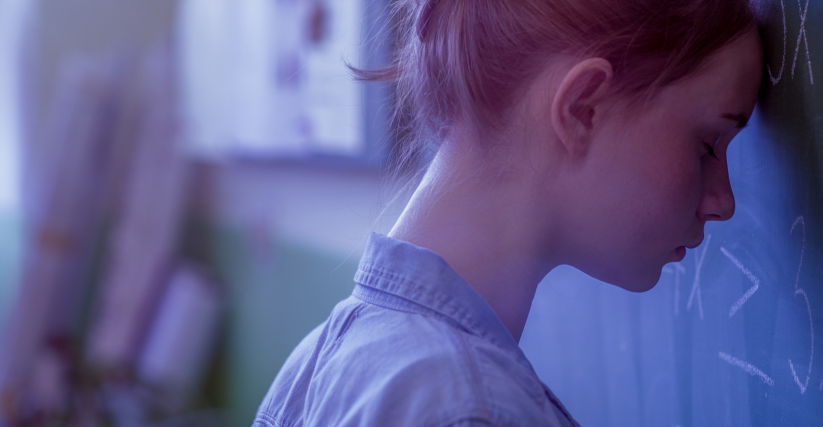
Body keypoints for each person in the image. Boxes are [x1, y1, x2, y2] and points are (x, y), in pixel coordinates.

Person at [255, 0, 763, 425]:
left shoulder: (317, 360)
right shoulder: (468, 408)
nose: (723, 202)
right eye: (708, 146)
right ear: (583, 108)